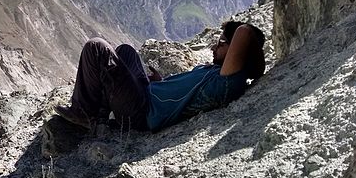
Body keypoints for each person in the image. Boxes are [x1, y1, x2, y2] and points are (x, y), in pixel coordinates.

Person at [54, 21, 266, 132]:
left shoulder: (227, 82)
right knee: (126, 51)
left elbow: (245, 31)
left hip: (142, 112)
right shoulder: (215, 71)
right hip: (147, 95)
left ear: (236, 52)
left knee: (96, 47)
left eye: (221, 43)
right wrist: (161, 83)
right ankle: (101, 111)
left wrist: (251, 65)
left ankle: (84, 113)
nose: (213, 47)